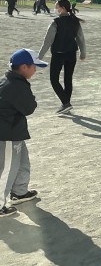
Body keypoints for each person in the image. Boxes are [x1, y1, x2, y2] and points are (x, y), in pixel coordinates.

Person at [0, 49, 47, 218]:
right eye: (34, 66)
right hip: (8, 134)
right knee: (7, 168)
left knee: (22, 161)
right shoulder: (16, 85)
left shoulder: (9, 80)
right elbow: (29, 107)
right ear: (24, 67)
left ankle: (19, 192)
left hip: (14, 131)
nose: (35, 70)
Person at [37, 0, 86, 114]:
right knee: (68, 80)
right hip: (71, 54)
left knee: (54, 79)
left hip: (58, 54)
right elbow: (81, 38)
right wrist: (83, 53)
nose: (55, 9)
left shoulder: (55, 22)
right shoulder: (75, 21)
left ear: (63, 8)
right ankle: (66, 104)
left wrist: (39, 56)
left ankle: (66, 103)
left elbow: (47, 42)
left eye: (56, 7)